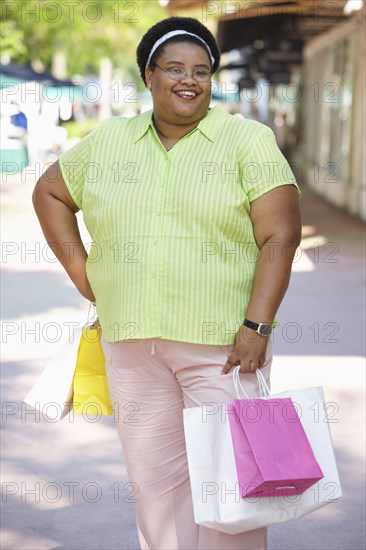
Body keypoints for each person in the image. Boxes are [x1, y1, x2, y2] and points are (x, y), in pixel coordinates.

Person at [32, 16, 301, 550]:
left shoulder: (246, 140)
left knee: (232, 487)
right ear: (149, 76)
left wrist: (257, 325)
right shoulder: (109, 141)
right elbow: (50, 193)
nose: (189, 80)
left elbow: (281, 236)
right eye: (174, 68)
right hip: (132, 344)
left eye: (202, 70)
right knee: (155, 484)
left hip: (224, 346)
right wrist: (83, 274)